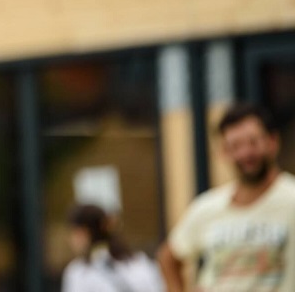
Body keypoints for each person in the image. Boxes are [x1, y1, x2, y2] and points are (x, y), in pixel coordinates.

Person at [157, 102, 295, 292]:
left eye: (253, 142)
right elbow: (169, 257)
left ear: (273, 142)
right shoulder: (208, 207)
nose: (245, 153)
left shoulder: (291, 199)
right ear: (223, 152)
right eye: (235, 146)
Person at [61, 204, 163, 292]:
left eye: (74, 233)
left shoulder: (79, 273)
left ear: (84, 232)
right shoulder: (141, 264)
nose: (71, 239)